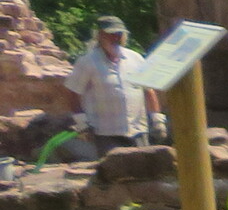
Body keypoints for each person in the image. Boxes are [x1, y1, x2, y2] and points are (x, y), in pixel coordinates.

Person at [62, 17, 157, 151]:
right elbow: (73, 92)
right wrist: (81, 122)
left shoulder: (135, 59)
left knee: (143, 164)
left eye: (119, 34)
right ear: (99, 36)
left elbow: (149, 90)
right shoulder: (87, 62)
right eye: (110, 34)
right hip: (106, 133)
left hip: (137, 130)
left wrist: (157, 119)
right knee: (113, 165)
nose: (115, 38)